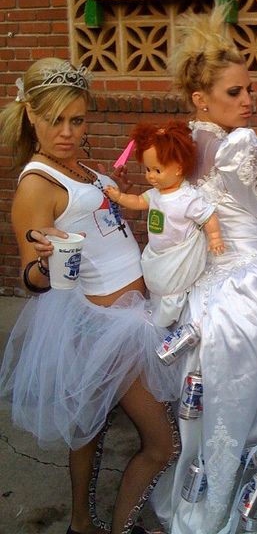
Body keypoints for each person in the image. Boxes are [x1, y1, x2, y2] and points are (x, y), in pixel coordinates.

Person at [150, 6, 257, 534]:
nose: (249, 101)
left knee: (215, 420)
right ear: (202, 98)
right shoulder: (238, 144)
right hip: (252, 291)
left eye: (249, 89)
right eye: (235, 93)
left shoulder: (180, 144)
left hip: (203, 302)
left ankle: (207, 507)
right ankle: (255, 516)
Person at [0, 59, 180, 534]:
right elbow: (30, 279)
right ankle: (121, 527)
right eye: (55, 120)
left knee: (91, 428)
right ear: (31, 117)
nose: (67, 131)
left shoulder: (76, 164)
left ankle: (81, 521)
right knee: (164, 444)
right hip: (107, 328)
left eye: (76, 120)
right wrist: (47, 260)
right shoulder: (37, 184)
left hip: (132, 314)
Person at [104, 120, 225, 328]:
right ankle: (158, 308)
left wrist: (214, 237)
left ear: (178, 168)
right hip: (158, 254)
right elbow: (138, 201)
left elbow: (208, 215)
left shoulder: (187, 198)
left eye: (157, 170)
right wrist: (119, 196)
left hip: (177, 256)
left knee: (171, 289)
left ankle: (166, 318)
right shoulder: (155, 194)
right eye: (148, 169)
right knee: (157, 285)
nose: (150, 176)